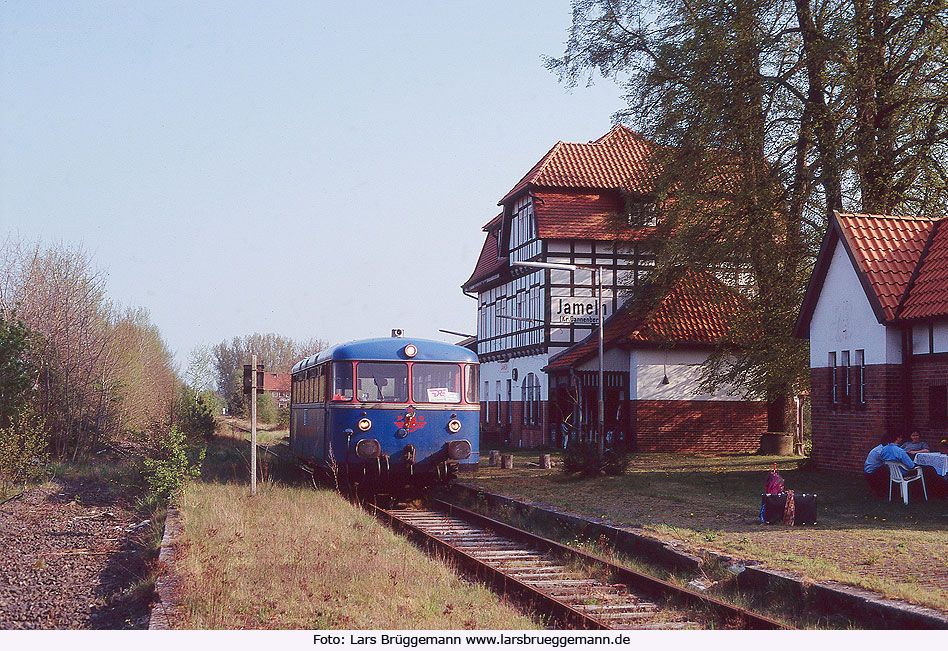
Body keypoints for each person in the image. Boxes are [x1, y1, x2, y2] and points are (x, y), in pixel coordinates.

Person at [864, 432, 916, 498]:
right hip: (873, 473)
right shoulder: (882, 450)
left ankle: (891, 492)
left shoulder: (884, 449)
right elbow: (910, 465)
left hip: (880, 470)